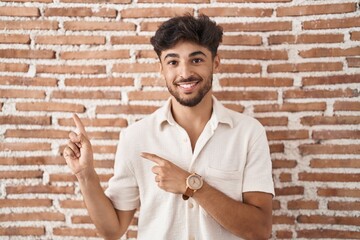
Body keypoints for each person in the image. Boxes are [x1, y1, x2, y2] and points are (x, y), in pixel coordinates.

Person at [63, 14, 275, 240]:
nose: (185, 73)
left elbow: (260, 229)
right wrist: (86, 175)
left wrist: (191, 185)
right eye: (173, 62)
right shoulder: (135, 137)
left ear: (215, 63)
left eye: (196, 60)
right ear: (161, 68)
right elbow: (112, 230)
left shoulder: (248, 132)